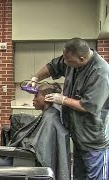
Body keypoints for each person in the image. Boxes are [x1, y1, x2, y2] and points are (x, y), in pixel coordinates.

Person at [28, 37, 109, 180]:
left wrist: (63, 99)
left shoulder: (100, 72)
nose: (65, 64)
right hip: (78, 136)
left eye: (69, 61)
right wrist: (35, 78)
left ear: (82, 59)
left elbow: (88, 106)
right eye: (65, 59)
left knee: (95, 177)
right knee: (78, 176)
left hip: (93, 139)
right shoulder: (71, 60)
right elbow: (53, 66)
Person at [0, 83, 70, 180]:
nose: (33, 99)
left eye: (36, 96)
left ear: (47, 98)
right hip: (19, 156)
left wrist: (17, 147)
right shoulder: (49, 114)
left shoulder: (50, 118)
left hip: (23, 160)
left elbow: (38, 151)